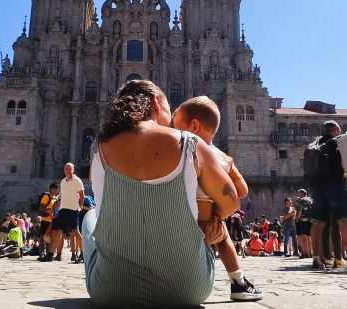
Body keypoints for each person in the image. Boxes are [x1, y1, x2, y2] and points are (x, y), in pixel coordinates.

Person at [81, 80, 238, 307]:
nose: (171, 117)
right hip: (190, 290)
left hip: (112, 291)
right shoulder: (191, 144)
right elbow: (232, 202)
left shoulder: (98, 147)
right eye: (168, 107)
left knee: (90, 217)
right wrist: (212, 222)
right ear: (155, 102)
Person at [173, 96, 261, 301]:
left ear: (194, 126)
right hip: (209, 218)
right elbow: (242, 190)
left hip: (183, 219)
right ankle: (238, 282)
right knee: (224, 238)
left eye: (176, 127)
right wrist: (217, 212)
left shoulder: (182, 150)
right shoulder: (224, 158)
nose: (173, 131)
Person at [307, 121, 347, 270]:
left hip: (318, 188)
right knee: (344, 221)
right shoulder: (338, 142)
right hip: (336, 185)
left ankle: (316, 258)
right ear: (336, 129)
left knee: (317, 223)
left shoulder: (314, 145)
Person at [44, 162, 84, 263]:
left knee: (75, 232)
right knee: (57, 230)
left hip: (73, 209)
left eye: (69, 169)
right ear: (64, 170)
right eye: (66, 168)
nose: (67, 170)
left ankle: (84, 254)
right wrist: (56, 202)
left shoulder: (77, 180)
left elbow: (82, 195)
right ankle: (50, 254)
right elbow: (62, 194)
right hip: (62, 209)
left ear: (73, 170)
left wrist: (80, 207)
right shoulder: (63, 181)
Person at [35, 183, 58, 259]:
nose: (55, 191)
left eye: (56, 189)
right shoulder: (46, 196)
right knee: (42, 237)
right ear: (50, 189)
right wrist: (49, 210)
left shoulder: (55, 198)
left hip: (52, 220)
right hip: (45, 220)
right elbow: (41, 207)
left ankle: (48, 253)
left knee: (49, 238)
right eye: (54, 189)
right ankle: (41, 253)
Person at [293, 189, 313, 258]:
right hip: (310, 221)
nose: (298, 195)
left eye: (299, 193)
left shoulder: (301, 200)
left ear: (302, 193)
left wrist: (297, 219)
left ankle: (304, 253)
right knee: (309, 237)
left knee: (303, 237)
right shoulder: (310, 200)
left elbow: (299, 211)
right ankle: (310, 253)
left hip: (303, 220)